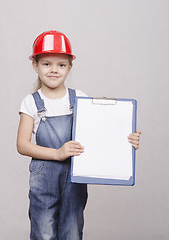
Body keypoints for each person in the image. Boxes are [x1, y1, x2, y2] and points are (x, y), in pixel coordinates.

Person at [17, 30, 141, 240]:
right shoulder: (31, 102)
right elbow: (22, 145)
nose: (54, 70)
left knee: (72, 230)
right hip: (44, 178)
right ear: (35, 65)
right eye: (47, 64)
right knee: (43, 231)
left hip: (75, 177)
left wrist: (125, 140)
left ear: (69, 67)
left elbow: (100, 133)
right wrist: (57, 153)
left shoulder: (80, 99)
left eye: (61, 65)